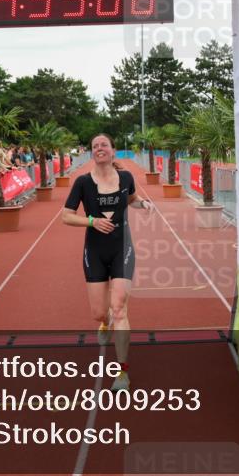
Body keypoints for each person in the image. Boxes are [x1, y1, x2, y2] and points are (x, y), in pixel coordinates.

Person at [62, 133, 152, 391]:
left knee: (120, 308)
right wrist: (91, 221)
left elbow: (132, 200)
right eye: (95, 146)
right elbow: (66, 217)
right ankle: (104, 322)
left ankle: (122, 372)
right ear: (92, 154)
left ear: (113, 151)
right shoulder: (82, 183)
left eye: (104, 145)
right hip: (95, 252)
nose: (99, 148)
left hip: (122, 249)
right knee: (100, 312)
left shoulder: (125, 178)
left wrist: (143, 204)